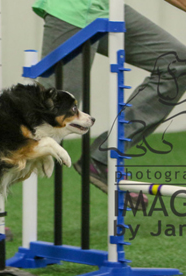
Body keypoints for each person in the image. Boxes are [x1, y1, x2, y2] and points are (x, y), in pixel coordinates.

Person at [33, 0, 186, 204]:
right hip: (73, 9)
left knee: (176, 63)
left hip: (107, 6)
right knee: (47, 119)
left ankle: (102, 157)